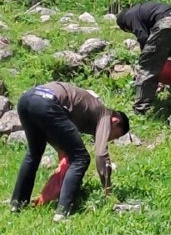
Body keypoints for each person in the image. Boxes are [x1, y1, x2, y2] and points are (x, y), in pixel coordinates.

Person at [10, 82, 129, 221]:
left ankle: (17, 203)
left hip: (27, 99)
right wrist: (108, 191)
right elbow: (101, 154)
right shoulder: (105, 116)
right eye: (115, 135)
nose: (110, 138)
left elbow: (57, 133)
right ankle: (62, 211)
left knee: (34, 152)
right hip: (47, 102)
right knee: (81, 158)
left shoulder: (88, 111)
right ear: (115, 121)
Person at [116, 1, 171, 116]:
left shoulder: (129, 16)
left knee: (148, 68)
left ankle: (140, 109)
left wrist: (148, 57)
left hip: (168, 20)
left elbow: (143, 37)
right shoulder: (145, 10)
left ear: (124, 26)